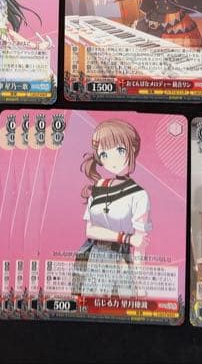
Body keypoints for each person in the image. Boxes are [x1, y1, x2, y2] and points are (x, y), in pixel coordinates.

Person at [73, 119, 150, 297]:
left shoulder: (139, 195)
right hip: (94, 258)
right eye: (104, 154)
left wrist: (140, 286)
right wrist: (126, 238)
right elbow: (90, 231)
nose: (112, 160)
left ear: (132, 149)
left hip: (120, 262)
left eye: (120, 150)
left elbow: (140, 245)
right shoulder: (98, 186)